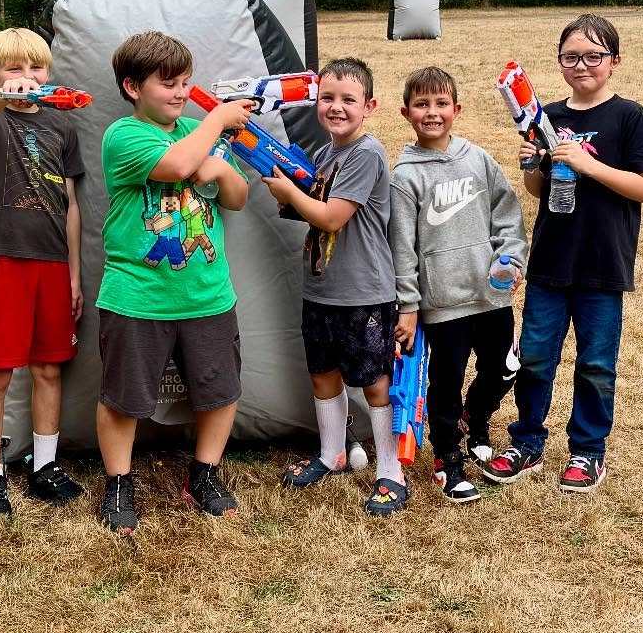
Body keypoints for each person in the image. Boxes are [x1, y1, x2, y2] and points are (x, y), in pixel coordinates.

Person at [482, 15, 643, 494]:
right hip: (550, 262)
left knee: (596, 363)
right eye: (570, 56)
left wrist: (588, 163)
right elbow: (539, 190)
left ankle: (588, 451)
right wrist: (532, 166)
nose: (581, 65)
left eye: (593, 56)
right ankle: (526, 442)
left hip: (603, 264)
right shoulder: (548, 117)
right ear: (559, 61)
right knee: (537, 356)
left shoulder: (628, 116)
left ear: (614, 61)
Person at [94, 31, 254, 534]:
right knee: (123, 398)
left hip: (208, 292)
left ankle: (204, 474)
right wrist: (216, 124)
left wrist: (218, 169)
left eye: (186, 82)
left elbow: (237, 197)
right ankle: (118, 483)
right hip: (137, 295)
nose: (181, 93)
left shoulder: (195, 129)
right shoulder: (123, 136)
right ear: (132, 87)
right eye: (168, 84)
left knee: (221, 390)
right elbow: (180, 164)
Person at [264, 58, 408, 516]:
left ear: (370, 106)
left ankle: (390, 469)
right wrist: (284, 189)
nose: (337, 107)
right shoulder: (327, 155)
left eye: (349, 99)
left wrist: (291, 195)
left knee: (374, 383)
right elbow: (307, 210)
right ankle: (333, 454)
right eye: (328, 98)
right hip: (321, 291)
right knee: (323, 375)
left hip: (364, 294)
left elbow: (330, 217)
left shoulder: (366, 153)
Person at [388, 66, 528, 504]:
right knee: (445, 383)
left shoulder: (478, 159)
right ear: (406, 112)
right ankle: (448, 459)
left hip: (491, 294)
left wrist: (512, 257)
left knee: (505, 367)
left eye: (441, 104)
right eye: (422, 105)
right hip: (444, 302)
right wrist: (408, 305)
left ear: (456, 109)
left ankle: (477, 420)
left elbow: (507, 214)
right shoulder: (405, 176)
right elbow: (403, 248)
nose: (432, 113)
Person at [0, 28, 86, 528]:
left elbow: (73, 207)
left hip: (53, 264)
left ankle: (45, 463)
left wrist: (74, 274)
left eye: (35, 68)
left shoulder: (62, 125)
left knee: (49, 369)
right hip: (4, 261)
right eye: (13, 69)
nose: (27, 78)